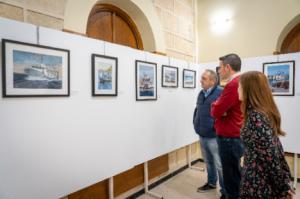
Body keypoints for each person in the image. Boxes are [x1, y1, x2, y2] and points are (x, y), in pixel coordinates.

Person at [238, 71, 295, 199]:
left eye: (239, 86)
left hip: (259, 182)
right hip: (258, 177)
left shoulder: (256, 116)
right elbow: (275, 149)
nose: (238, 89)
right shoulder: (261, 112)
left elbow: (271, 156)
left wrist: (283, 187)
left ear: (249, 89)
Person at [211, 53, 244, 199]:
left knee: (231, 178)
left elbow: (216, 110)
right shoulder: (241, 81)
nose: (218, 71)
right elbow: (221, 109)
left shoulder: (233, 84)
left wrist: (215, 105)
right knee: (235, 173)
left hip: (229, 138)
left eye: (220, 68)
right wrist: (219, 107)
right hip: (235, 135)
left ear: (228, 67)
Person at [193, 69, 225, 199]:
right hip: (202, 134)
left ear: (212, 81)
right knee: (208, 162)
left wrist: (215, 128)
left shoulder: (221, 93)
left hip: (214, 136)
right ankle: (211, 183)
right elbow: (197, 110)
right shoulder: (201, 93)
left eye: (204, 78)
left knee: (220, 164)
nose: (201, 80)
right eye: (201, 78)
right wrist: (195, 123)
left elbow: (225, 114)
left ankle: (225, 191)